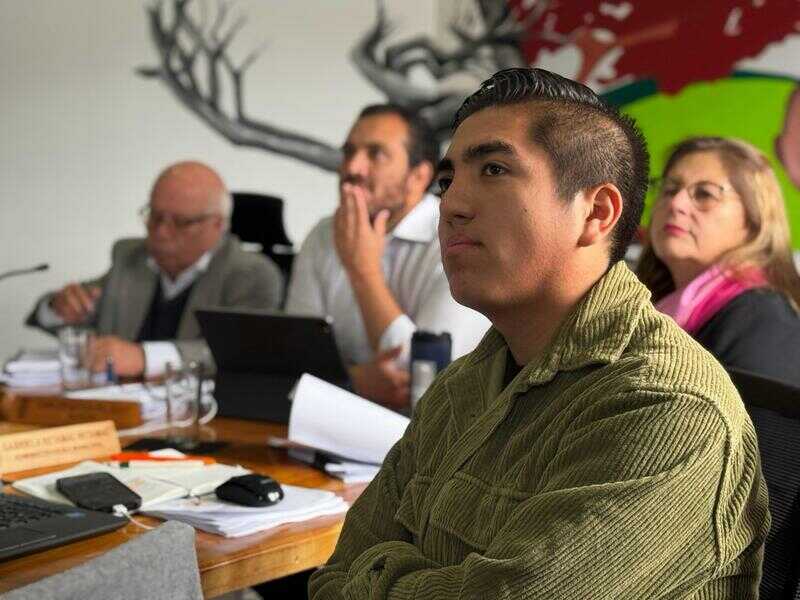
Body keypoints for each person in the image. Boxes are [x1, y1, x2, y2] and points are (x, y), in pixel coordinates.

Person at [309, 69, 769, 599]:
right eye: (447, 181)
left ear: (596, 213)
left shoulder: (667, 406)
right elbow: (330, 579)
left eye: (494, 169)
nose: (451, 205)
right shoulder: (464, 384)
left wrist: (380, 571)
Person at [286, 104, 489, 408]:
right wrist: (354, 381)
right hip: (328, 420)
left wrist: (363, 272)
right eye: (349, 152)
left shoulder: (456, 236)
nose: (352, 168)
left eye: (376, 154)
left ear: (418, 177)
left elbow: (425, 378)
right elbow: (295, 356)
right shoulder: (323, 235)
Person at [26, 161, 284, 378]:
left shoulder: (252, 275)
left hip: (204, 414)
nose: (160, 231)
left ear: (217, 225)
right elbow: (76, 316)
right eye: (155, 216)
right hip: (119, 408)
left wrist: (144, 358)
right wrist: (58, 308)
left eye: (180, 222)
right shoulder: (130, 257)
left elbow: (240, 353)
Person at [637, 136, 800, 386]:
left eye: (704, 193)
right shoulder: (641, 303)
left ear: (754, 220)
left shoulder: (762, 317)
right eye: (669, 189)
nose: (676, 203)